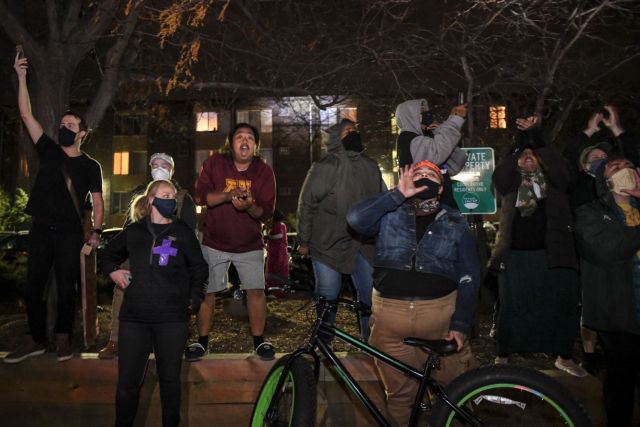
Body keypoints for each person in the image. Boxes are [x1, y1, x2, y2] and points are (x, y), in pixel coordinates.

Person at [346, 160, 480, 426]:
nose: (424, 176)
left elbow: (470, 276)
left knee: (457, 392)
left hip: (440, 322)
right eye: (418, 173)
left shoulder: (455, 221)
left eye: (431, 174)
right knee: (399, 396)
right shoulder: (389, 213)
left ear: (440, 188)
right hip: (389, 324)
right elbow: (356, 219)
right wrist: (397, 194)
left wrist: (461, 324)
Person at [4, 51, 104, 363]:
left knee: (65, 287)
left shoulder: (90, 166)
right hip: (40, 229)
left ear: (82, 133)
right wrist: (22, 76)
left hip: (69, 232)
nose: (64, 127)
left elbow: (98, 201)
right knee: (33, 286)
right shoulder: (48, 150)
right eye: (62, 123)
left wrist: (96, 232)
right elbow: (26, 115)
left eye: (70, 124)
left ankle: (63, 338)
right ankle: (35, 338)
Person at [102, 180, 207, 427]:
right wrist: (113, 272)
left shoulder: (182, 232)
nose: (171, 199)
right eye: (165, 195)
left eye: (173, 196)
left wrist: (195, 297)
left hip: (172, 320)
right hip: (134, 320)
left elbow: (199, 268)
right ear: (151, 200)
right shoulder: (134, 231)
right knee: (127, 384)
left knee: (170, 382)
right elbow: (107, 254)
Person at [489, 116, 586, 376]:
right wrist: (520, 144)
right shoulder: (510, 184)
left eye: (534, 156)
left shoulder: (556, 183)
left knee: (561, 305)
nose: (529, 158)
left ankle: (564, 356)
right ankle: (502, 355)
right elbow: (500, 174)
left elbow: (561, 170)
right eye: (524, 157)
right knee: (511, 307)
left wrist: (538, 139)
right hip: (516, 256)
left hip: (554, 254)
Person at [189, 123, 276, 361]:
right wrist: (228, 195)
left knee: (255, 291)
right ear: (231, 143)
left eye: (250, 137)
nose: (244, 141)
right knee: (208, 292)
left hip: (250, 244)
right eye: (240, 137)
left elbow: (265, 212)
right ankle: (202, 342)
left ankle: (259, 341)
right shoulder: (215, 163)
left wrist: (249, 206)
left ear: (255, 146)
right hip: (213, 242)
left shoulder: (263, 172)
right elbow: (200, 197)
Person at [98, 152, 197, 359]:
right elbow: (129, 227)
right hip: (140, 252)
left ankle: (173, 340)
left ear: (172, 170)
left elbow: (188, 232)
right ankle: (115, 339)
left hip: (168, 249)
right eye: (155, 165)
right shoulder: (141, 194)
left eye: (164, 165)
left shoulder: (182, 197)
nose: (159, 169)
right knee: (122, 288)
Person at [296, 118, 385, 341]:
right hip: (328, 244)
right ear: (336, 137)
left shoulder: (371, 166)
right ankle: (324, 343)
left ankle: (371, 345)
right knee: (328, 296)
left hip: (363, 245)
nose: (353, 132)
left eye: (355, 129)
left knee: (369, 297)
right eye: (347, 130)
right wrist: (304, 240)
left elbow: (381, 202)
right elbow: (307, 204)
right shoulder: (324, 167)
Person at [574, 156, 640, 427]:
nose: (624, 169)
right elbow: (609, 250)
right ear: (606, 181)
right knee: (622, 378)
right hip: (618, 311)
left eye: (629, 165)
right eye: (615, 167)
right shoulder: (589, 213)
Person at [394, 99, 468, 209]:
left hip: (440, 204)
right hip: (427, 207)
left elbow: (455, 164)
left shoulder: (423, 137)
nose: (426, 114)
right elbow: (437, 154)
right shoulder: (408, 138)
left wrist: (438, 132)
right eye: (421, 111)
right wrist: (454, 121)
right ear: (411, 116)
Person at [264, 209, 289, 298]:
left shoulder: (277, 225)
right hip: (279, 252)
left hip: (277, 253)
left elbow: (279, 235)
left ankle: (275, 292)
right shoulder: (282, 225)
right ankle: (277, 290)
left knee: (275, 270)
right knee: (279, 271)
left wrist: (268, 237)